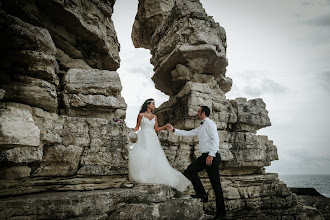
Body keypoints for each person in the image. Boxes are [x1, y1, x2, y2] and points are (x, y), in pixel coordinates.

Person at [168, 106, 226, 220]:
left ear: (203, 113)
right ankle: (202, 194)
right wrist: (174, 130)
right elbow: (189, 133)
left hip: (212, 156)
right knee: (190, 170)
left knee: (216, 186)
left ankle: (222, 214)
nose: (196, 114)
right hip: (205, 156)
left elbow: (216, 140)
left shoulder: (210, 124)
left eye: (198, 112)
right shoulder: (201, 126)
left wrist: (211, 155)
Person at [128, 98, 191, 192]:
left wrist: (165, 126)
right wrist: (131, 130)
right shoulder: (141, 115)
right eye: (152, 104)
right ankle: (144, 175)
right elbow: (137, 127)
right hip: (144, 136)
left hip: (153, 138)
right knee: (144, 154)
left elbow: (156, 129)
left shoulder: (155, 116)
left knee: (154, 156)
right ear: (148, 104)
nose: (154, 106)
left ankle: (153, 175)